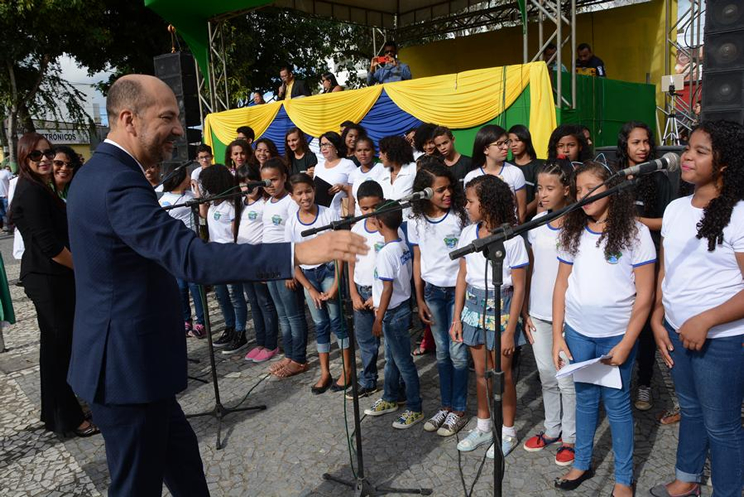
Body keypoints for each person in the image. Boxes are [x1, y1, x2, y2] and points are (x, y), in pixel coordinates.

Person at [66, 74, 367, 497]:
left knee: (186, 468)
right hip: (126, 369)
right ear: (130, 119)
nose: (177, 129)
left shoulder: (99, 173)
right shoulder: (117, 181)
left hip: (136, 365)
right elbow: (192, 258)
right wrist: (295, 253)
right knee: (136, 487)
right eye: (168, 117)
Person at [649, 121, 744, 497]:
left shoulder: (738, 213)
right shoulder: (674, 209)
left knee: (722, 425)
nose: (686, 156)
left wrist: (705, 320)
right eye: (687, 147)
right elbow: (666, 270)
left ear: (723, 164)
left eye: (700, 151)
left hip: (721, 341)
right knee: (690, 409)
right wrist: (658, 316)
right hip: (675, 330)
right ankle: (687, 479)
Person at [552, 161, 656, 496]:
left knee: (617, 406)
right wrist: (557, 335)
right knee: (584, 400)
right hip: (579, 333)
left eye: (590, 189)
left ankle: (624, 479)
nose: (582, 196)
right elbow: (561, 285)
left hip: (616, 337)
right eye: (578, 190)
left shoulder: (636, 233)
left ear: (612, 188)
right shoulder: (573, 230)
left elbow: (646, 294)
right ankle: (582, 463)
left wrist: (627, 342)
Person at [11, 133, 98, 438]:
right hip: (48, 279)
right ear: (24, 158)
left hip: (52, 278)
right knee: (59, 351)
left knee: (55, 350)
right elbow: (49, 244)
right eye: (37, 156)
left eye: (48, 153)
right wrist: (83, 269)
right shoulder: (31, 191)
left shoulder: (39, 187)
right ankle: (70, 419)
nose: (45, 159)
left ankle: (56, 413)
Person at [452, 175, 528, 459]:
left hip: (503, 306)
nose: (466, 206)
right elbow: (462, 276)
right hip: (473, 306)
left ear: (488, 204)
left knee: (503, 375)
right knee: (482, 373)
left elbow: (519, 286)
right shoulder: (467, 234)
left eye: (471, 201)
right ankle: (483, 426)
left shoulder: (514, 238)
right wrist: (457, 317)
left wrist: (510, 330)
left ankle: (507, 431)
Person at [521, 160, 577, 466]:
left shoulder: (576, 223)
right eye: (539, 188)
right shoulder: (537, 221)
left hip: (566, 315)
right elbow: (531, 268)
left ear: (566, 189)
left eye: (549, 188)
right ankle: (552, 428)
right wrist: (527, 309)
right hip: (538, 313)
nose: (542, 194)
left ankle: (571, 437)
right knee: (546, 375)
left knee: (566, 378)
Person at [408, 163, 470, 437]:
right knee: (442, 352)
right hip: (432, 292)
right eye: (440, 189)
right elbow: (418, 259)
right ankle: (445, 405)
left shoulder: (460, 216)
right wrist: (418, 297)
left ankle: (458, 409)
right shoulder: (416, 219)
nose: (447, 194)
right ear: (424, 192)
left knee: (458, 353)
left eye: (449, 188)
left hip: (458, 293)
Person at [616, 121, 674, 412]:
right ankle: (618, 379)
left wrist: (635, 222)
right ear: (624, 144)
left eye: (646, 142)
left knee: (647, 325)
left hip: (648, 260)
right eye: (636, 142)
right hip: (617, 261)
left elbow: (668, 222)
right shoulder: (615, 178)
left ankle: (645, 383)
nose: (643, 148)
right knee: (622, 319)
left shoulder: (660, 179)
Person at [286, 173, 352, 393]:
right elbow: (292, 260)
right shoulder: (292, 222)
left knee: (337, 321)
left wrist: (335, 286)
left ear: (314, 190)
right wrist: (310, 289)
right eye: (299, 193)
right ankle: (325, 372)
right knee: (320, 324)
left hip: (329, 271)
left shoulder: (328, 214)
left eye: (308, 191)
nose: (305, 197)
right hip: (308, 276)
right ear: (292, 196)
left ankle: (347, 369)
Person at [363, 201, 423, 429]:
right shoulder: (402, 244)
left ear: (379, 222)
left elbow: (387, 288)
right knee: (392, 360)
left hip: (391, 314)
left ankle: (415, 407)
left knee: (404, 362)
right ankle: (390, 396)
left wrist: (378, 319)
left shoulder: (387, 252)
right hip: (398, 308)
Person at [261, 158, 310, 379]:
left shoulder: (290, 203)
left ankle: (299, 358)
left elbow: (293, 237)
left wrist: (291, 268)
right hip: (270, 265)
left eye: (274, 179)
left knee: (294, 314)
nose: (269, 184)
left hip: (285, 265)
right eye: (265, 181)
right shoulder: (267, 202)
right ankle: (289, 354)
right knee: (282, 315)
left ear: (284, 178)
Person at [196, 165, 249, 354]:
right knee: (221, 296)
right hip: (214, 254)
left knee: (235, 295)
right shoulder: (213, 203)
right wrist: (200, 195)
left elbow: (234, 232)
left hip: (229, 254)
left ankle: (240, 331)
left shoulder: (231, 205)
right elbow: (202, 215)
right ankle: (229, 327)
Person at [348, 180, 388, 399]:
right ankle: (368, 380)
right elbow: (351, 262)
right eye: (365, 208)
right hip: (361, 292)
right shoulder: (356, 229)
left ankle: (395, 384)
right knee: (365, 342)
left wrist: (377, 295)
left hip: (382, 294)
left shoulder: (389, 229)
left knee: (389, 343)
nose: (371, 212)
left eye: (375, 207)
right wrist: (354, 293)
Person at [236, 164, 280, 363]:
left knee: (265, 303)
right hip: (244, 261)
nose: (247, 187)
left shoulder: (264, 204)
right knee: (253, 303)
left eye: (251, 183)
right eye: (242, 184)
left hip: (259, 261)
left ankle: (271, 344)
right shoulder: (240, 203)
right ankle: (260, 342)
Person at [158, 166, 205, 338]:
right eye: (186, 175)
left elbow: (201, 213)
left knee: (195, 285)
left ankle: (202, 322)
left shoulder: (190, 196)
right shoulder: (165, 200)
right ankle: (186, 319)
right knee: (181, 287)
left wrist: (197, 190)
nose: (189, 177)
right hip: (175, 248)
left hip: (191, 246)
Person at [464, 124, 528, 223]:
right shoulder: (471, 176)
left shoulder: (515, 172)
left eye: (507, 142)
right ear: (485, 149)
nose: (506, 147)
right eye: (500, 144)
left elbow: (521, 212)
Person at [315, 131, 355, 217]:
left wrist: (343, 188)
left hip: (340, 215)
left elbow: (359, 190)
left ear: (336, 146)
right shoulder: (318, 167)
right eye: (322, 145)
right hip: (321, 215)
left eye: (327, 144)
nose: (323, 148)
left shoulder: (348, 164)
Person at [508, 124, 543, 219]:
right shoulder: (507, 166)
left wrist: (520, 215)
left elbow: (539, 198)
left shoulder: (539, 166)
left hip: (530, 221)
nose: (513, 145)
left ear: (526, 141)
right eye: (510, 141)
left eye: (517, 140)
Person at [349, 137, 385, 216]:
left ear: (373, 151)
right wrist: (351, 221)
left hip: (379, 217)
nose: (363, 153)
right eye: (359, 150)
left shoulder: (382, 169)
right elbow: (351, 201)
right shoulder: (353, 174)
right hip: (359, 220)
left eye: (366, 150)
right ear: (355, 153)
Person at [0, 159, 13, 230]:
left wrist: (9, 193)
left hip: (5, 196)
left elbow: (12, 183)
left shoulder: (6, 172)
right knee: (2, 213)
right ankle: (6, 226)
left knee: (7, 212)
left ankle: (10, 226)